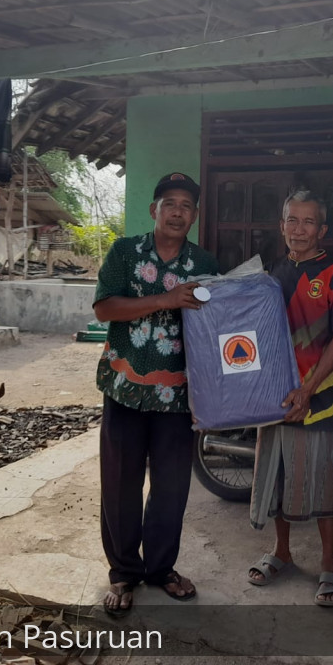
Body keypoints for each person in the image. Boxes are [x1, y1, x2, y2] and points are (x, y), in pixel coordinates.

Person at [93, 172, 219, 617]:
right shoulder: (125, 253)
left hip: (178, 398)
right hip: (124, 390)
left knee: (171, 488)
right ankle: (124, 572)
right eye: (170, 202)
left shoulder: (205, 263)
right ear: (155, 210)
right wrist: (165, 300)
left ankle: (161, 569)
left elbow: (216, 328)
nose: (178, 211)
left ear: (194, 216)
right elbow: (105, 307)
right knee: (121, 484)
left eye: (187, 205)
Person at [247, 189, 333, 607]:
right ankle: (282, 552)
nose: (299, 229)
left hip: (317, 396)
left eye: (308, 222)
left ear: (322, 229)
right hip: (274, 396)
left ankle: (330, 564)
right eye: (292, 221)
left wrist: (307, 389)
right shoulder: (271, 274)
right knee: (277, 476)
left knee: (321, 483)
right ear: (282, 226)